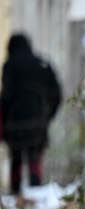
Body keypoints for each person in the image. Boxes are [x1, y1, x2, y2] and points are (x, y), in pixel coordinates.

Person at [1, 34, 62, 195]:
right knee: (35, 159)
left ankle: (16, 196)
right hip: (37, 124)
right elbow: (57, 95)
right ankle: (37, 194)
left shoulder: (9, 65)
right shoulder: (42, 64)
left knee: (16, 160)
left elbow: (5, 97)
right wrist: (47, 117)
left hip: (15, 124)